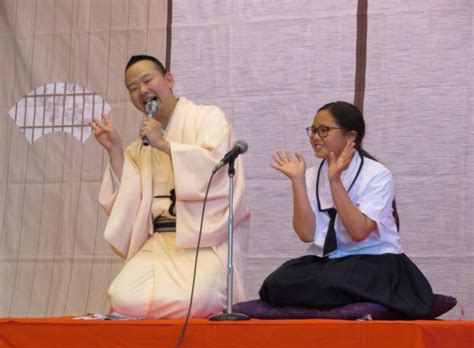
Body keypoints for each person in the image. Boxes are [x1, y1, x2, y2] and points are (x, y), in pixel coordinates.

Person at [89, 55, 250, 319]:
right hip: (160, 241)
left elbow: (216, 165)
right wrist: (115, 151)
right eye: (132, 88)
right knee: (123, 300)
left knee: (194, 303)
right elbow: (130, 197)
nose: (142, 91)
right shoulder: (140, 145)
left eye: (147, 80)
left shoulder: (207, 117)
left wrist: (164, 144)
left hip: (203, 240)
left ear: (169, 80)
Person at [259, 101, 434, 319]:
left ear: (351, 136)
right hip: (330, 260)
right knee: (275, 284)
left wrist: (335, 182)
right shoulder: (311, 174)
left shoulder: (377, 174)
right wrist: (297, 181)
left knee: (330, 283)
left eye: (323, 130)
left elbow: (359, 232)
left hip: (374, 259)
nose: (315, 137)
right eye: (312, 130)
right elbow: (306, 235)